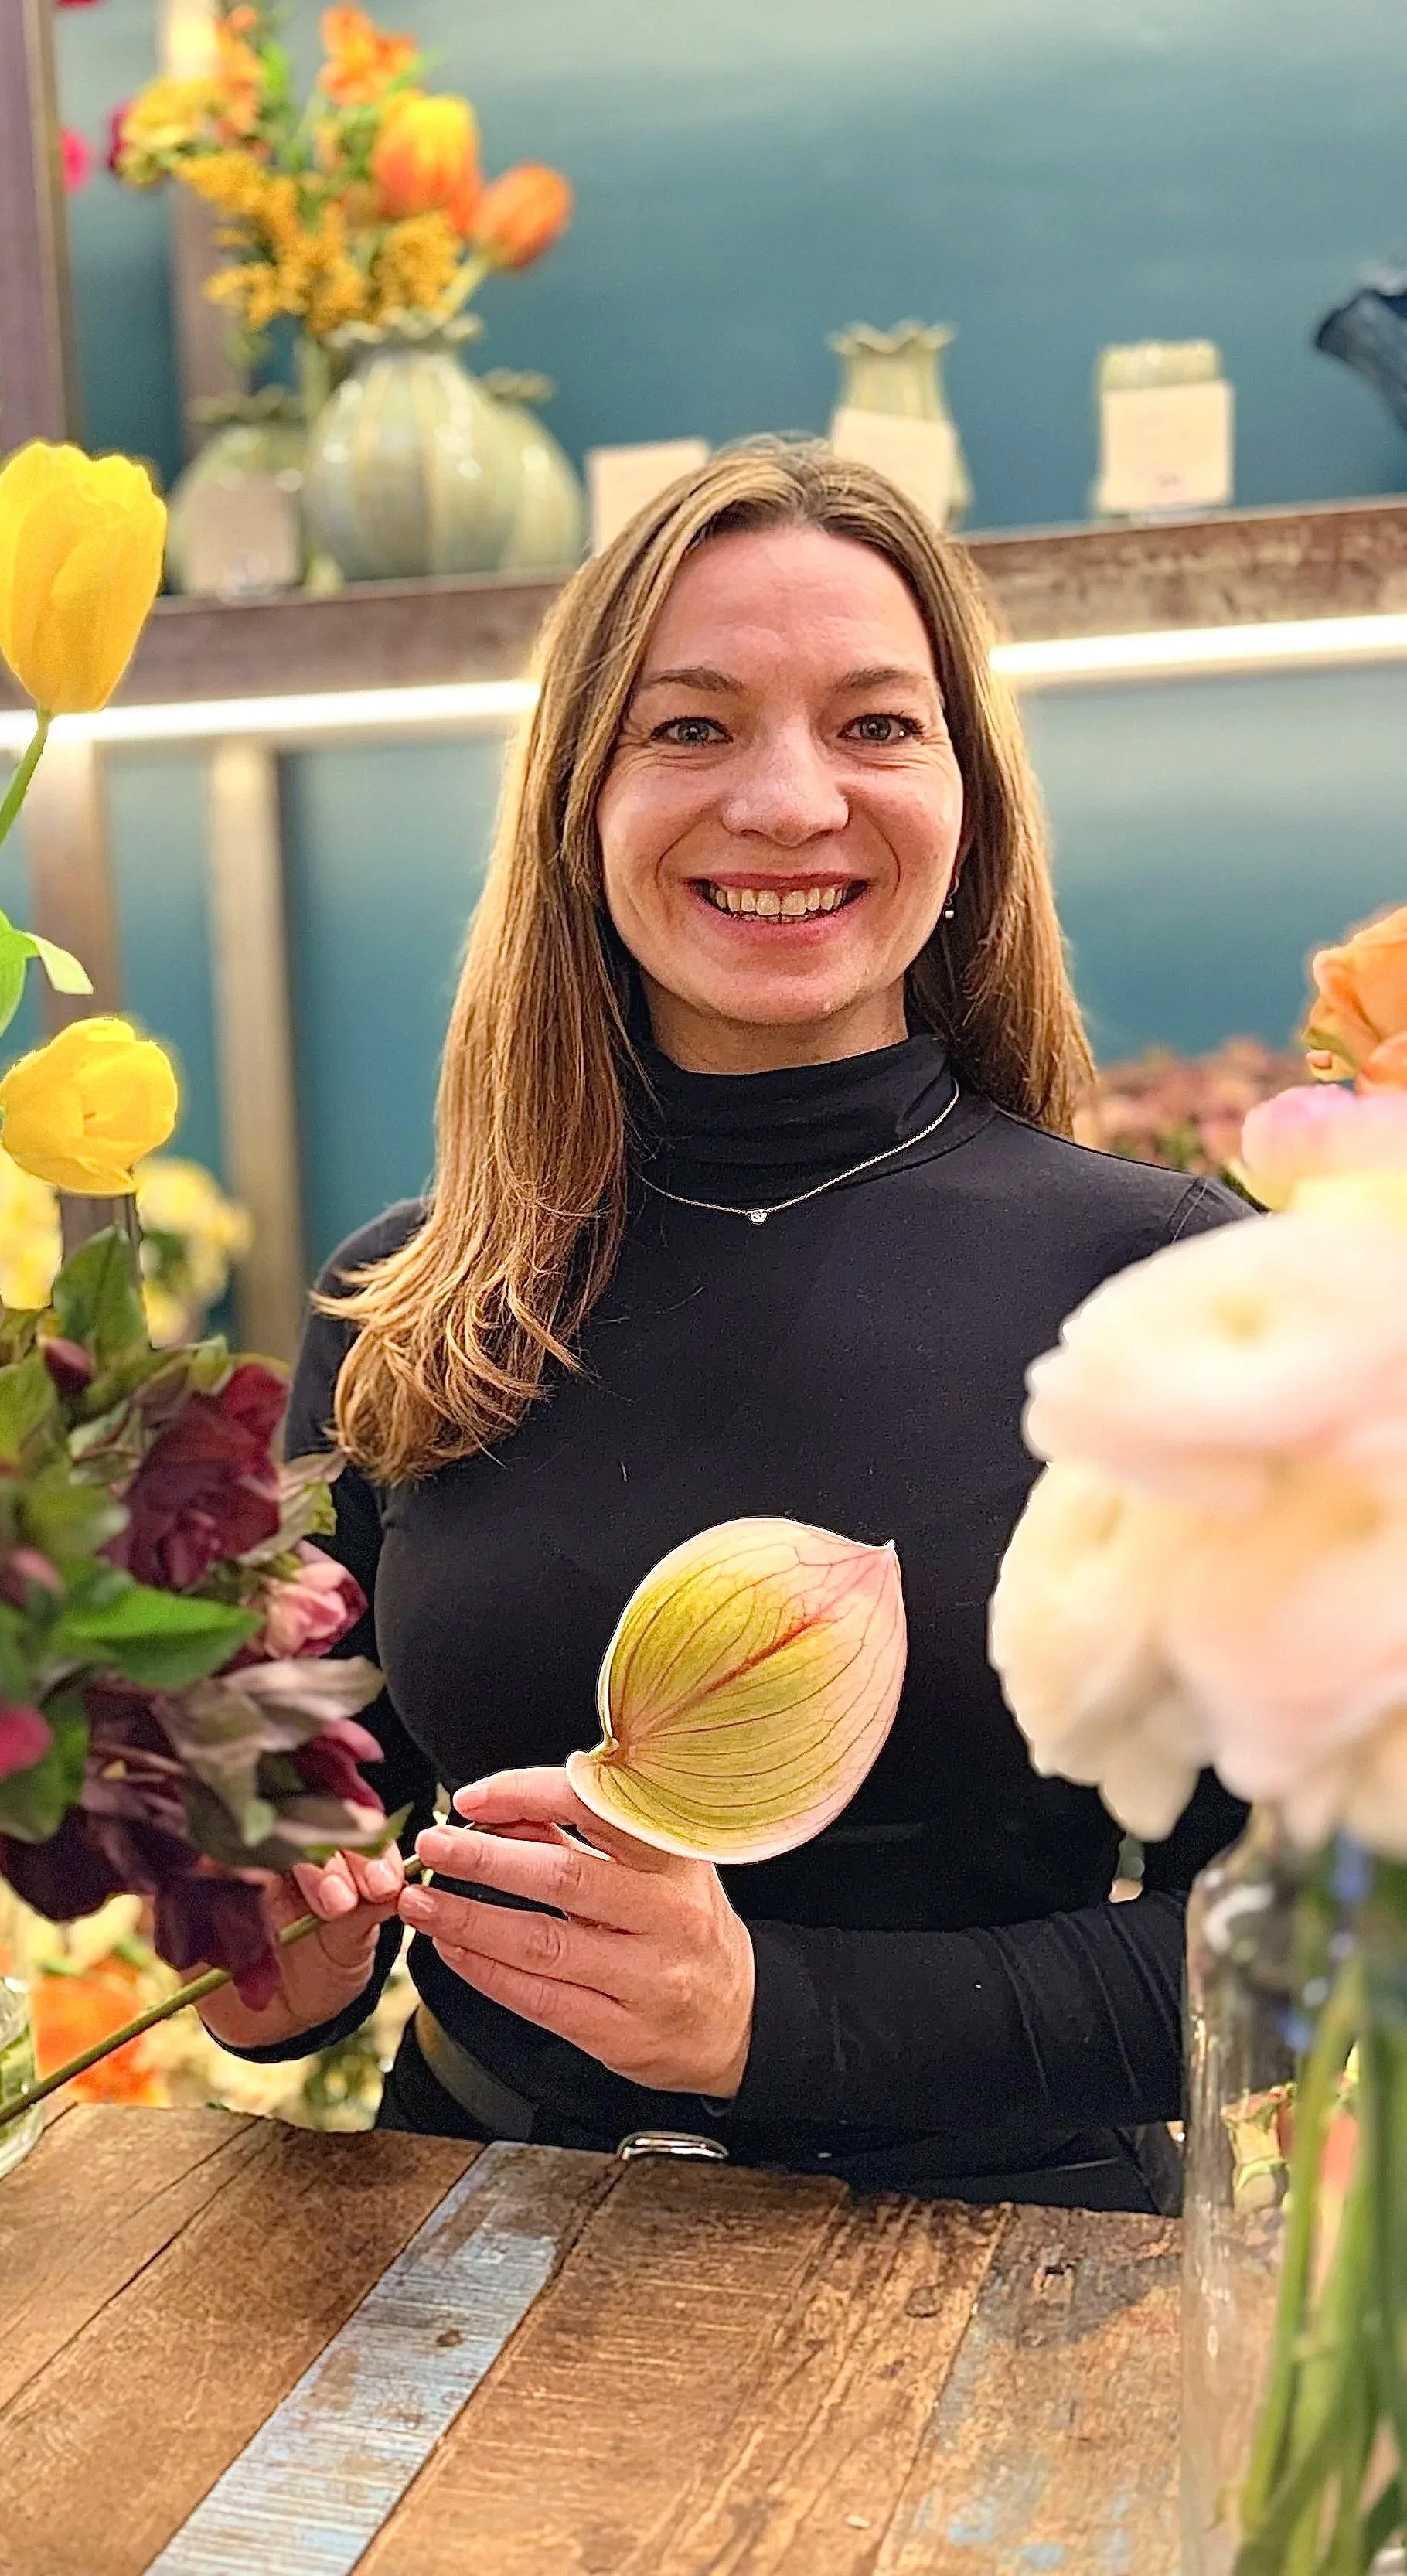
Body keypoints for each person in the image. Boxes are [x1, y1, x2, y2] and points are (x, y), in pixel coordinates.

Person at [199, 440, 1248, 2210]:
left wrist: (778, 2015)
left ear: (965, 794)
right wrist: (276, 1965)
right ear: (576, 803)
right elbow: (326, 1881)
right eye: (689, 727)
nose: (784, 801)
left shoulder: (1164, 1292)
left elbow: (1327, 1936)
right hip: (468, 2268)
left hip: (1002, 2302)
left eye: (871, 725)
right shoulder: (405, 1304)